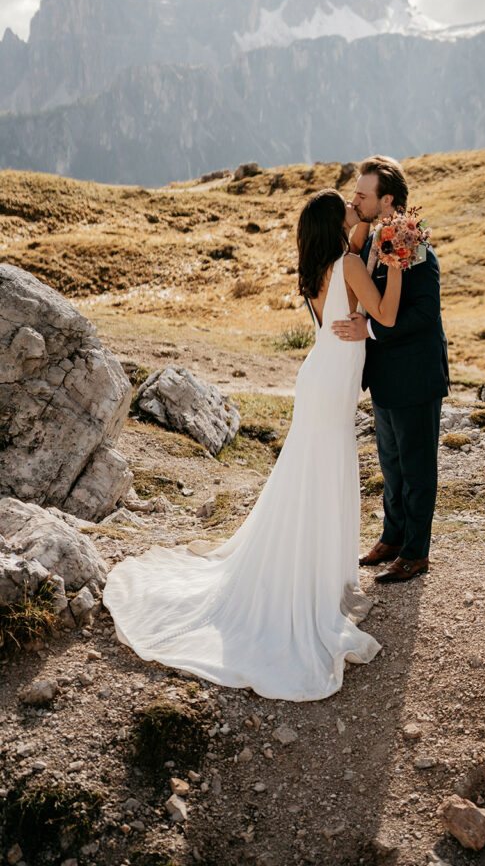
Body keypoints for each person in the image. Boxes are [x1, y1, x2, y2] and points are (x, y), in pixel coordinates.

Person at [103, 189, 402, 702]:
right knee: (323, 474)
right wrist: (394, 262)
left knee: (310, 475)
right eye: (349, 211)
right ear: (336, 223)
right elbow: (388, 315)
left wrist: (368, 285)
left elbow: (352, 311)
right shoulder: (351, 264)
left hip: (319, 378)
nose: (358, 213)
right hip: (331, 384)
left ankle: (314, 577)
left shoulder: (320, 271)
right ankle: (318, 585)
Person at [332, 155, 449, 583]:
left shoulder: (414, 246)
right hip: (384, 377)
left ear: (387, 201)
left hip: (415, 376)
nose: (354, 199)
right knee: (392, 466)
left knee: (417, 469)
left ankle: (417, 553)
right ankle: (393, 538)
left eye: (362, 195)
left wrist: (372, 330)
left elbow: (425, 314)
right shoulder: (372, 239)